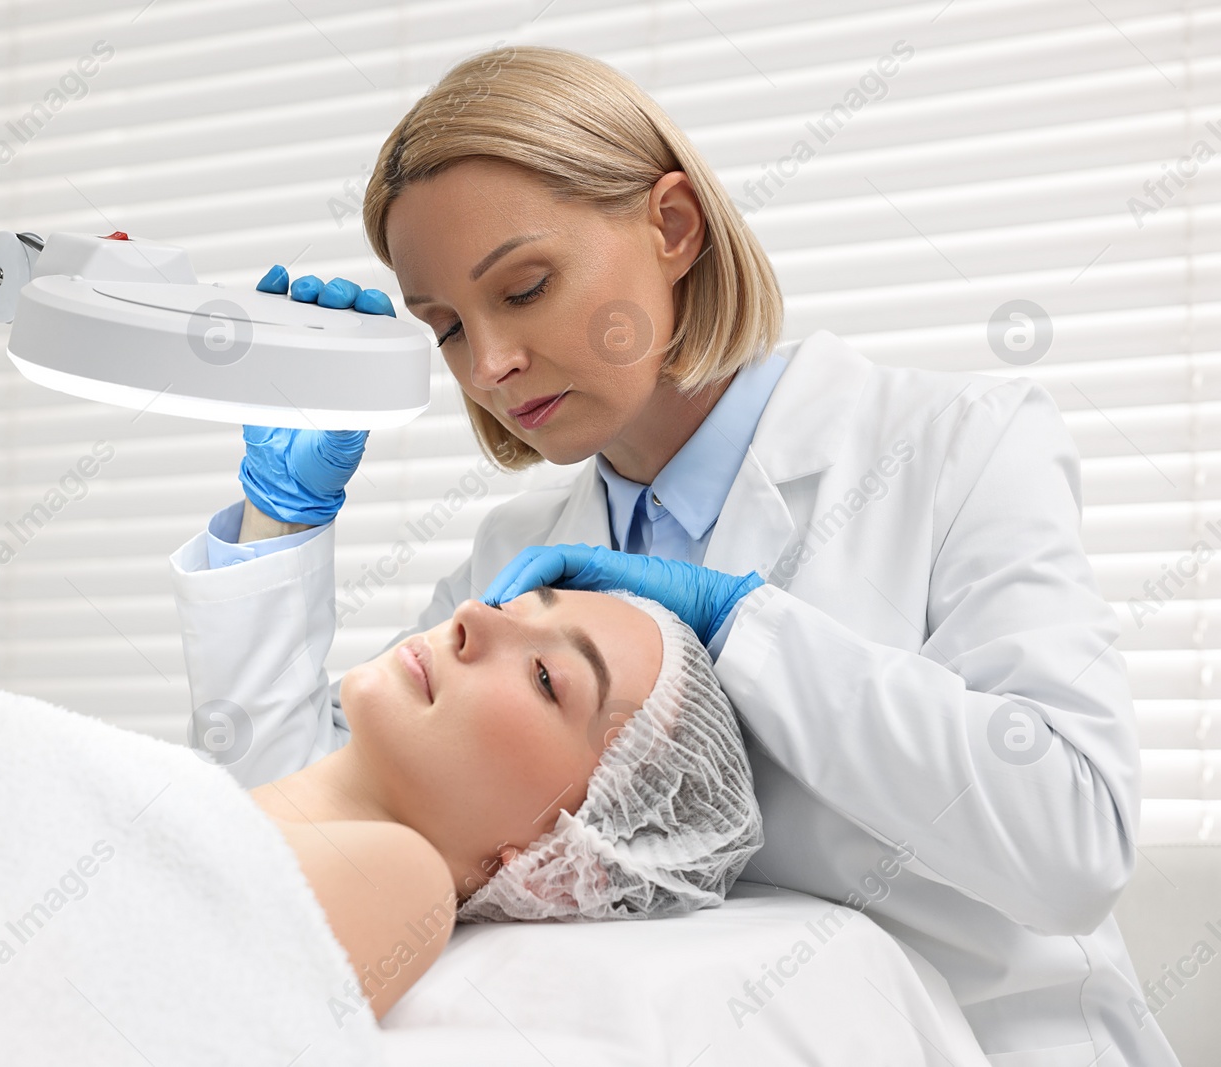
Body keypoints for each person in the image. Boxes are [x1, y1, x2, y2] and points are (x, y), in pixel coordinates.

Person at [168, 45, 1177, 1065]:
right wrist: (281, 522)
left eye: (523, 287)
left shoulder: (957, 445)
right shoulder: (515, 555)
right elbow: (290, 838)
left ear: (672, 226)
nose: (489, 364)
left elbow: (1074, 845)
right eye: (444, 328)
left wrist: (745, 624)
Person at [244, 585, 761, 1018]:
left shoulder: (404, 882)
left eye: (544, 678)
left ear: (555, 871)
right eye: (509, 605)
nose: (471, 614)